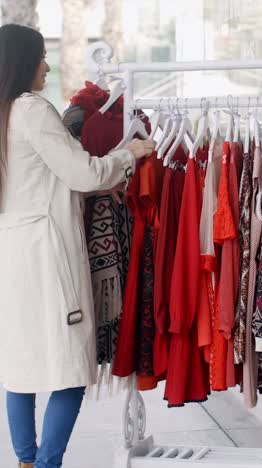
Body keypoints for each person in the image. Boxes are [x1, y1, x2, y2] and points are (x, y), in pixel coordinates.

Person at [0, 24, 155, 468]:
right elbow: (84, 174)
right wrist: (131, 154)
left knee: (21, 368)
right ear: (23, 63)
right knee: (70, 370)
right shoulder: (32, 110)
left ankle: (27, 462)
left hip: (12, 255)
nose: (46, 66)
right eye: (41, 58)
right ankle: (46, 464)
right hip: (47, 257)